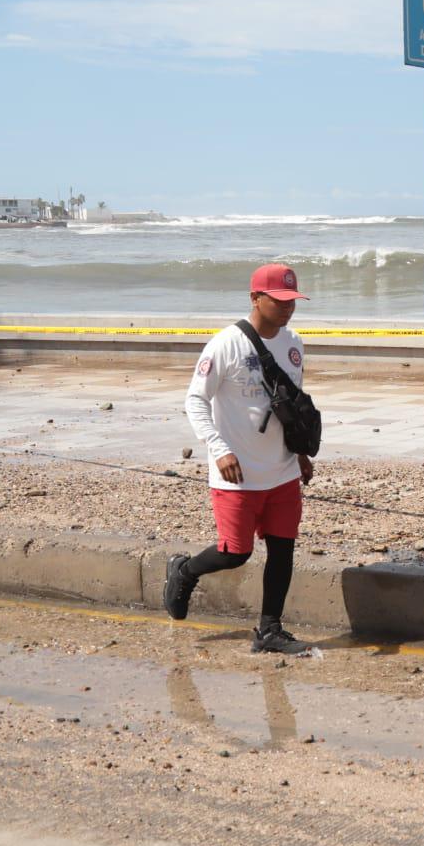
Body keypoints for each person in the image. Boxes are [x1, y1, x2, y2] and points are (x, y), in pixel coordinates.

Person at [164, 262, 314, 654]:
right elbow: (195, 400)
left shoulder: (294, 344)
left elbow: (290, 405)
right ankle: (184, 570)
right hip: (237, 472)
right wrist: (219, 448)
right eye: (279, 301)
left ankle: (270, 630)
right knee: (236, 552)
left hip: (281, 470)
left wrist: (299, 453)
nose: (287, 309)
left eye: (292, 300)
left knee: (283, 549)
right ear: (255, 298)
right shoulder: (225, 344)